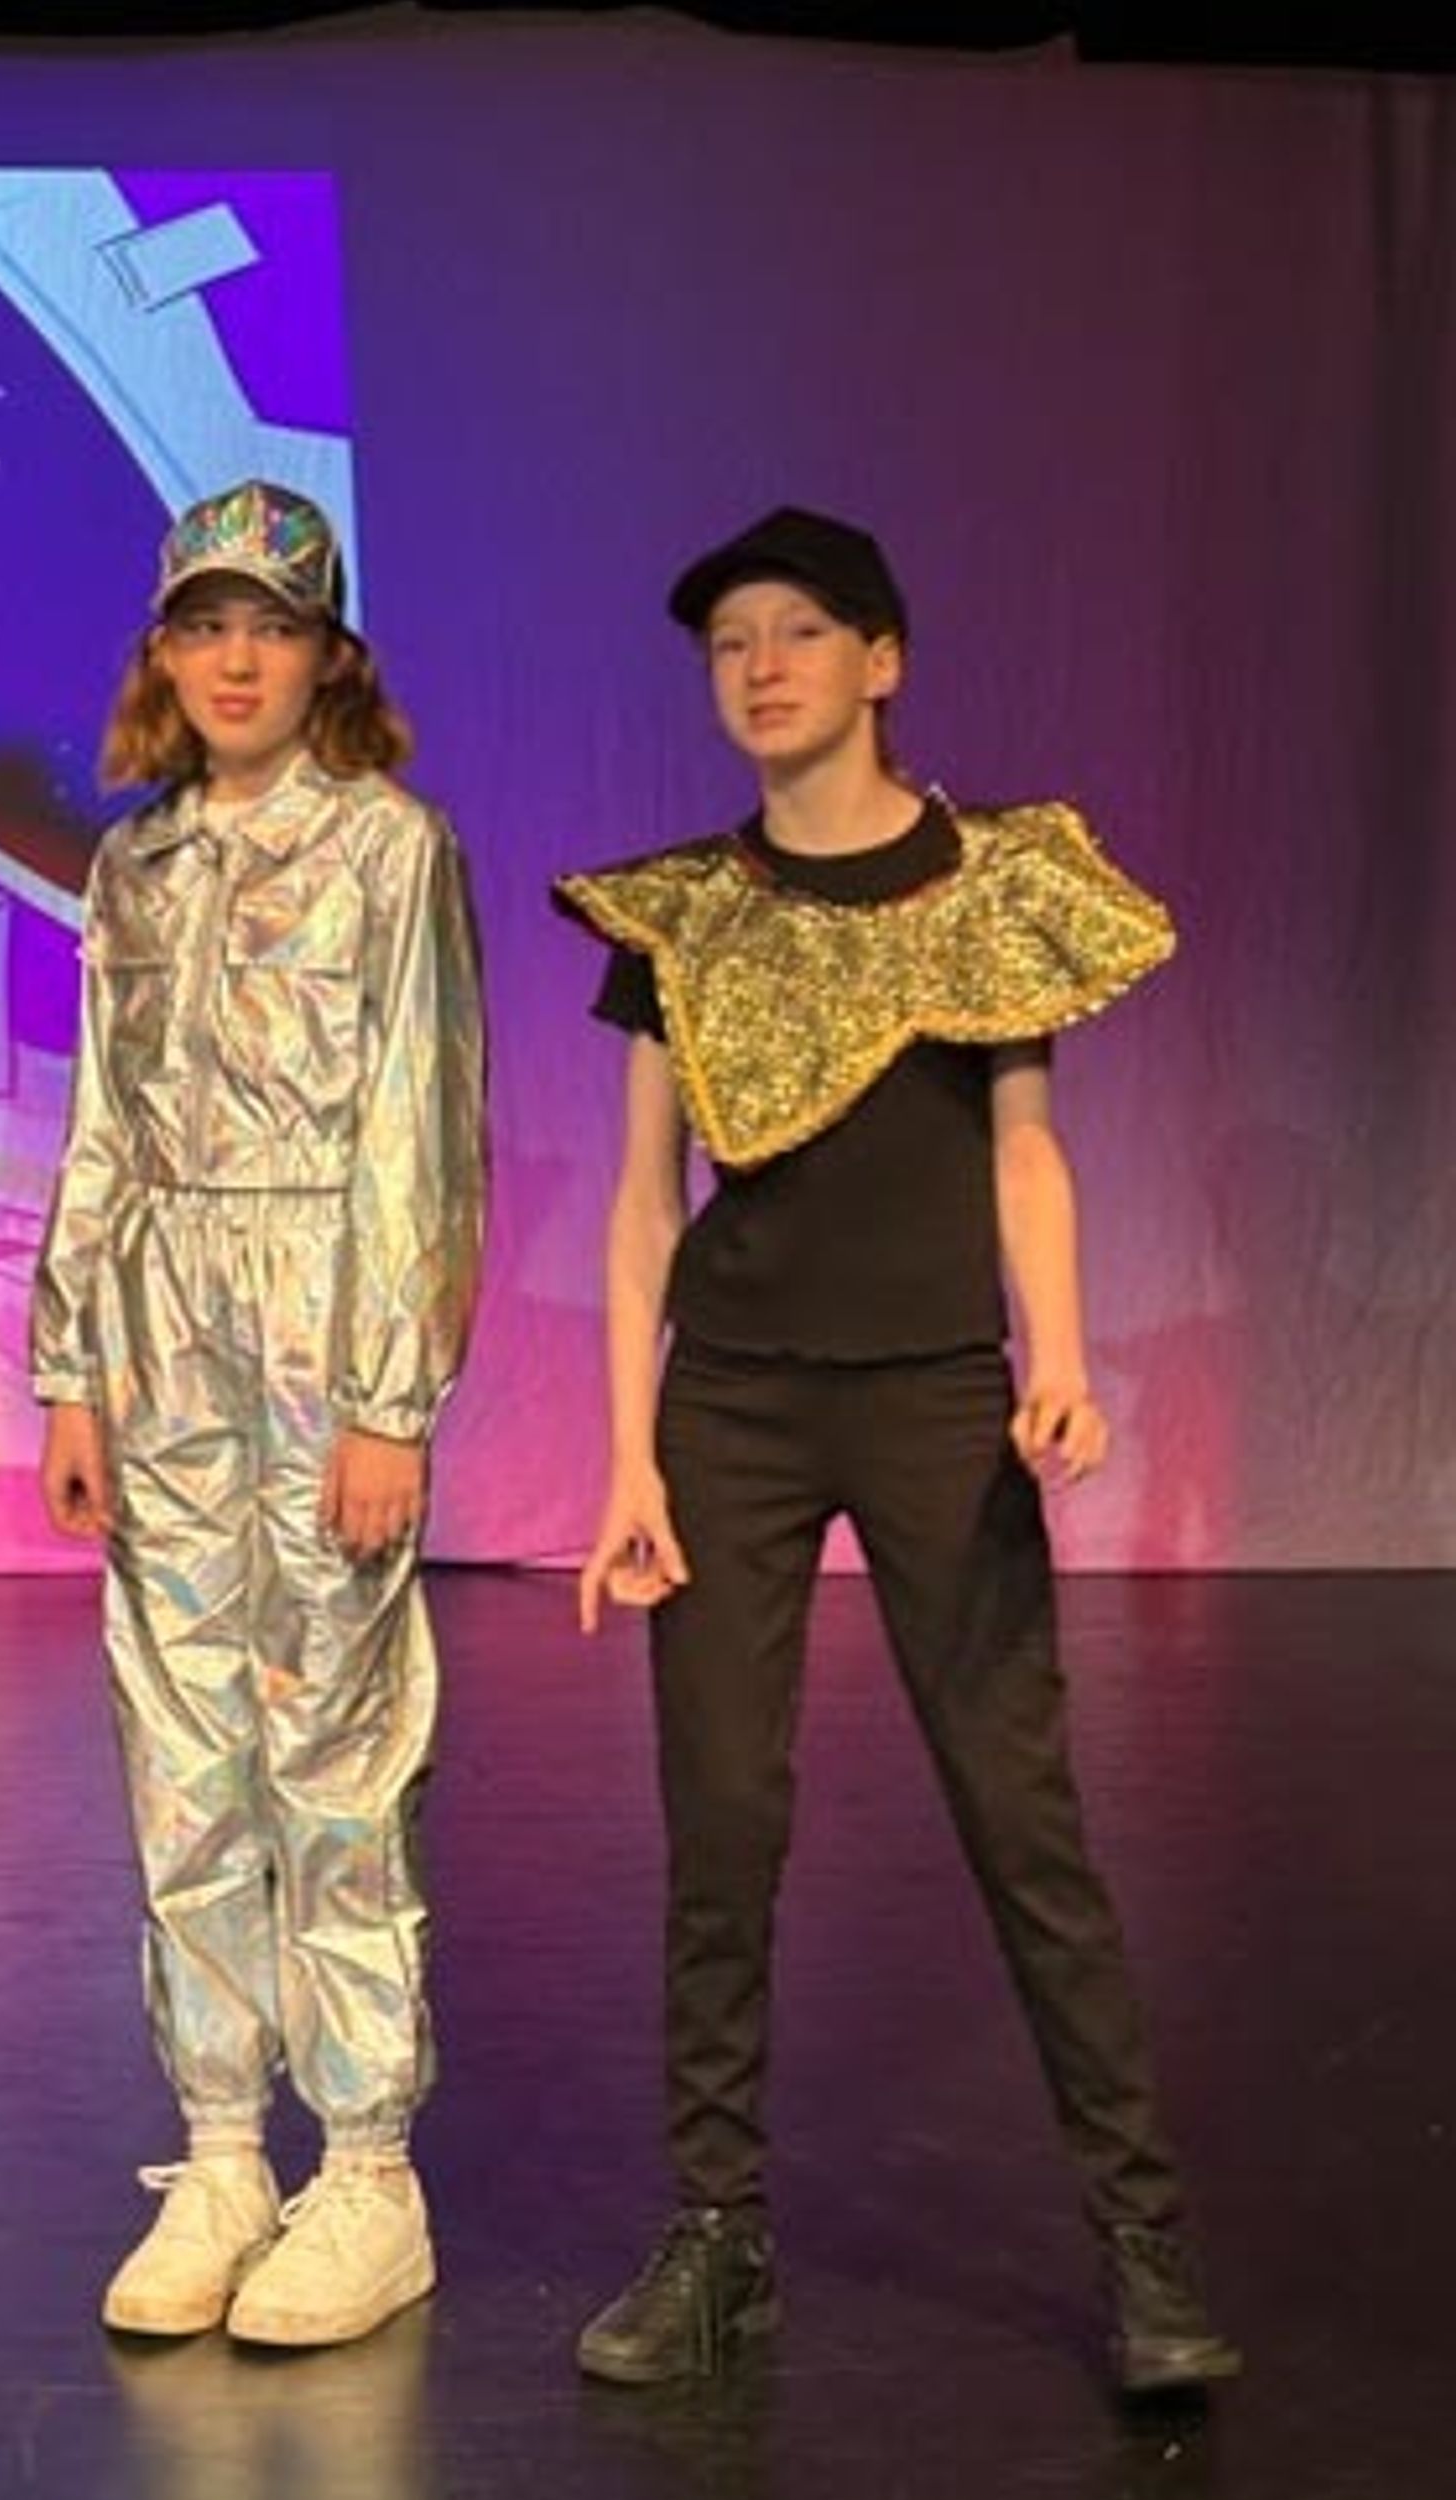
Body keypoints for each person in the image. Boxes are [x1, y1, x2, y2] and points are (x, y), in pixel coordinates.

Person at [552, 507, 1242, 2397]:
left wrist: (1061, 1358)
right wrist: (625, 1460)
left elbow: (1027, 1148)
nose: (761, 667)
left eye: (799, 631)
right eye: (729, 644)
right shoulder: (681, 911)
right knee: (723, 1825)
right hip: (731, 1411)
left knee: (1025, 1821)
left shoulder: (995, 884)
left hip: (938, 1398)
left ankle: (1145, 2247)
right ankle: (717, 2238)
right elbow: (641, 1204)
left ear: (883, 661)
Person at [31, 480, 488, 2349]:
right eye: (207, 625)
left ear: (328, 656)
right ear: (163, 650)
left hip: (321, 1311)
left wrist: (389, 1396)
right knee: (181, 1742)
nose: (237, 660)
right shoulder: (133, 866)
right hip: (161, 1330)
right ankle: (223, 2147)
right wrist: (73, 1362)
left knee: (336, 1742)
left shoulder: (390, 848)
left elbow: (420, 1127)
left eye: (274, 627)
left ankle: (368, 2168)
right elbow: (100, 1122)